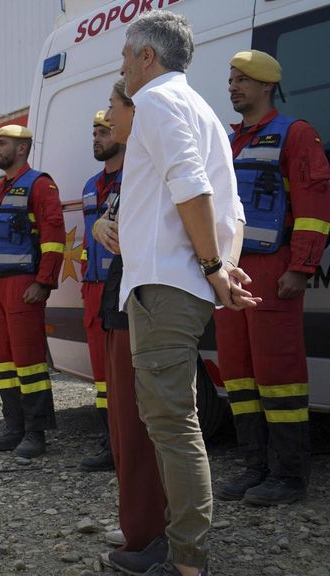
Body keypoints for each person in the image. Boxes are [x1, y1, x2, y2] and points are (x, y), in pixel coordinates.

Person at [118, 11, 259, 576]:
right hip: (184, 283)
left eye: (126, 57)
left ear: (147, 56)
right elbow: (232, 206)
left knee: (174, 425)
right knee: (175, 421)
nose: (123, 69)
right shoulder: (202, 109)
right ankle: (178, 547)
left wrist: (212, 266)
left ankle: (187, 563)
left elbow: (193, 189)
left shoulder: (155, 101)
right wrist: (224, 266)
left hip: (167, 284)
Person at [213, 50, 330, 506]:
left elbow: (315, 207)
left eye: (243, 79)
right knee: (238, 372)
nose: (233, 86)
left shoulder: (295, 135)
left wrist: (300, 268)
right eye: (231, 79)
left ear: (266, 85)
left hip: (272, 269)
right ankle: (255, 467)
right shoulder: (229, 141)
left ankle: (289, 476)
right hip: (230, 270)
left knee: (278, 372)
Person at [94, 78, 171, 575]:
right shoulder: (136, 168)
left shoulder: (150, 161)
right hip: (123, 302)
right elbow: (115, 221)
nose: (105, 118)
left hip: (140, 304)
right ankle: (140, 524)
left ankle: (149, 534)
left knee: (141, 430)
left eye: (112, 107)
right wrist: (103, 223)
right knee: (127, 429)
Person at [0, 124, 65, 459]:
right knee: (1, 360)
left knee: (29, 361)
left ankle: (36, 433)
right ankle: (13, 428)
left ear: (22, 149)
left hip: (22, 286)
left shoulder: (40, 185)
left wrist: (43, 282)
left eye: (2, 144)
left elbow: (54, 236)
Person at [78, 111, 123, 473]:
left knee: (125, 370)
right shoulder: (91, 185)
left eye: (104, 131)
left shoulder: (135, 177)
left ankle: (128, 443)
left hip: (124, 286)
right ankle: (109, 441)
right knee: (102, 374)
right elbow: (85, 240)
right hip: (94, 289)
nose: (96, 137)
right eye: (94, 132)